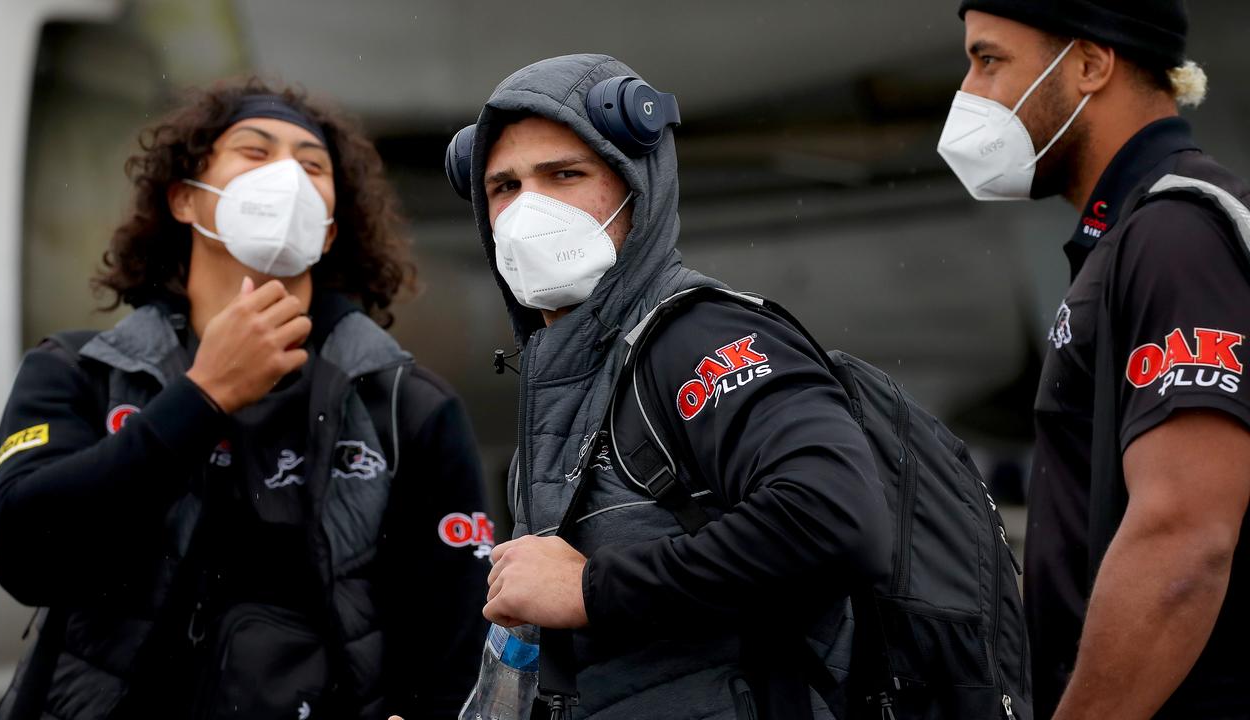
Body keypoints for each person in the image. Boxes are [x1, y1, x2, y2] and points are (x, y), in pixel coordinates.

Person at [0, 78, 491, 720]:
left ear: (330, 230)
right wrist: (202, 397)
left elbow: (452, 655)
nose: (287, 179)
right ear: (186, 200)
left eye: (312, 167)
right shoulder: (81, 372)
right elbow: (26, 556)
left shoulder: (407, 407)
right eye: (254, 152)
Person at [451, 54, 891, 719]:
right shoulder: (560, 392)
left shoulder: (698, 340)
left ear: (639, 188)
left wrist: (592, 589)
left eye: (564, 175)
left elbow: (835, 518)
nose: (528, 209)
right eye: (505, 186)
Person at [941, 2, 1250, 718]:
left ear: (1089, 65)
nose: (970, 94)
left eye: (989, 61)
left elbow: (1185, 538)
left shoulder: (1176, 236)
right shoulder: (1133, 241)